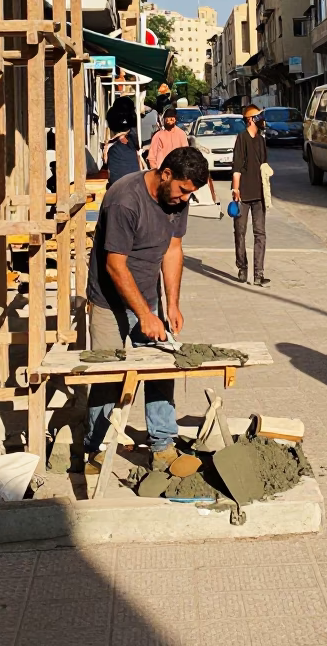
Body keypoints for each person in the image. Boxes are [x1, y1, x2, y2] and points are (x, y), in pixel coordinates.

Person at [84, 146, 209, 468]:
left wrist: (173, 304)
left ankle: (162, 443)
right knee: (107, 375)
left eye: (189, 195)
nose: (184, 200)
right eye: (182, 191)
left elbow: (173, 250)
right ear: (165, 174)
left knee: (160, 368)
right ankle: (97, 446)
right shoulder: (125, 199)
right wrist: (144, 315)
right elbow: (115, 266)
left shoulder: (177, 199)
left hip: (148, 300)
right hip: (109, 300)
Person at [231, 105, 269, 286]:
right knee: (240, 232)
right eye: (259, 117)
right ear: (251, 119)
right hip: (243, 194)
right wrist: (235, 190)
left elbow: (264, 165)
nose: (263, 120)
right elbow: (237, 167)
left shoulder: (261, 140)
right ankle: (242, 267)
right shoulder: (241, 138)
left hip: (259, 194)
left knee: (260, 234)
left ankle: (259, 273)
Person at [103, 96, 141, 186]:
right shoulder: (133, 141)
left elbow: (105, 163)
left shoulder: (110, 146)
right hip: (136, 185)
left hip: (118, 187)